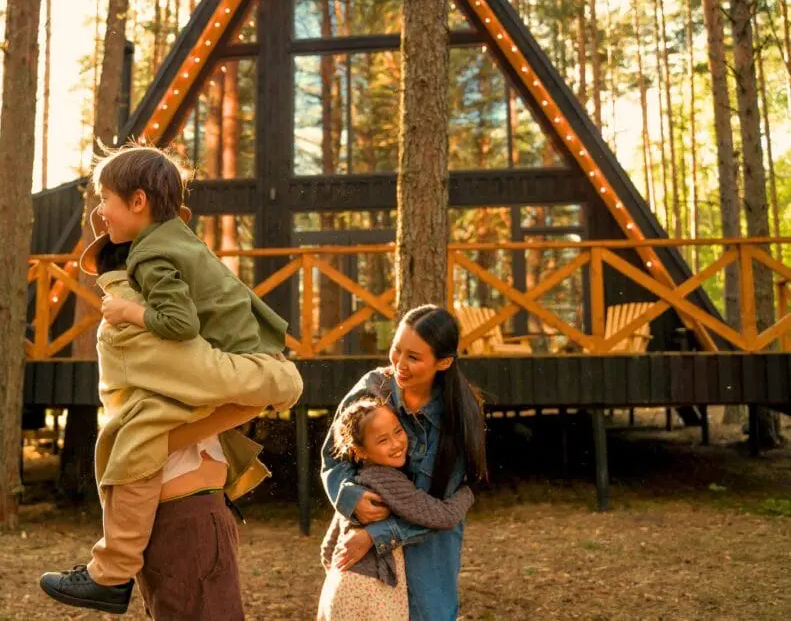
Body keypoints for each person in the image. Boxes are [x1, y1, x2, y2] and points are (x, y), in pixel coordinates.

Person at [40, 202, 303, 618]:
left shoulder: (168, 316)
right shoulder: (134, 323)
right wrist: (282, 378)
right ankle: (110, 574)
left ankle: (111, 574)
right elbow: (222, 380)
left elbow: (212, 395)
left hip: (191, 508)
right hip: (183, 511)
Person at [320, 305, 487, 621]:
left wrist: (377, 533)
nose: (399, 364)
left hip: (429, 550)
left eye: (414, 357)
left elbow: (441, 509)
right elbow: (333, 456)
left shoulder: (461, 415)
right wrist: (349, 497)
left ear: (444, 362)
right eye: (397, 350)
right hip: (366, 555)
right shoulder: (372, 387)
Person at [317, 397, 475, 621]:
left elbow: (327, 549)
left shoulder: (354, 487)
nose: (396, 444)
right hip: (370, 594)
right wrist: (467, 492)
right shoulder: (388, 480)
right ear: (360, 451)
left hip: (337, 591)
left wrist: (342, 580)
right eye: (383, 440)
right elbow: (444, 516)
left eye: (398, 432)